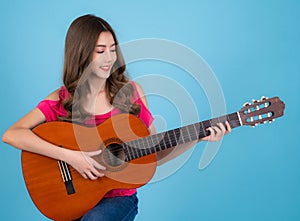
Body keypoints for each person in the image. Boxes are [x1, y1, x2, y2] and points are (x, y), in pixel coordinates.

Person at [2, 14, 231, 221]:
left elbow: (155, 155)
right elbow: (11, 135)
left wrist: (197, 138)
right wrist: (71, 157)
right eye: (100, 51)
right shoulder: (61, 99)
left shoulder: (131, 94)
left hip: (118, 201)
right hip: (73, 199)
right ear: (80, 53)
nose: (110, 58)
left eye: (113, 49)